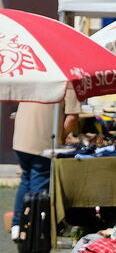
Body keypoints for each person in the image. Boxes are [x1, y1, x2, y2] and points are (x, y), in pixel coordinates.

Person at [10, 90, 81, 241]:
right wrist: (60, 137)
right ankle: (33, 229)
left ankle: (17, 225)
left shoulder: (39, 72)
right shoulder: (69, 82)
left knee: (26, 179)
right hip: (43, 141)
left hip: (21, 138)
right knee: (38, 184)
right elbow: (72, 118)